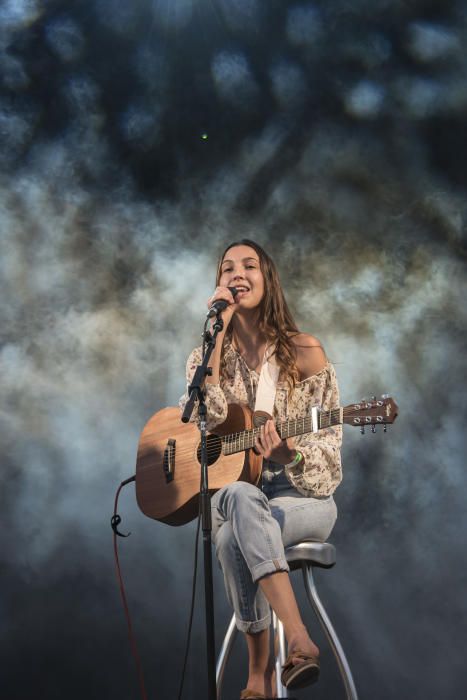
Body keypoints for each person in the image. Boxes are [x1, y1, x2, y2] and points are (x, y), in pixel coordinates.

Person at [179, 240, 342, 699]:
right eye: (227, 268)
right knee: (236, 501)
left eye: (249, 266)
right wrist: (219, 327)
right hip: (239, 499)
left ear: (267, 280)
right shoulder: (204, 359)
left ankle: (259, 674)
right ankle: (298, 641)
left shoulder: (305, 352)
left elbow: (330, 461)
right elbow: (203, 420)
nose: (237, 274)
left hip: (301, 497)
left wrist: (289, 457)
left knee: (235, 525)